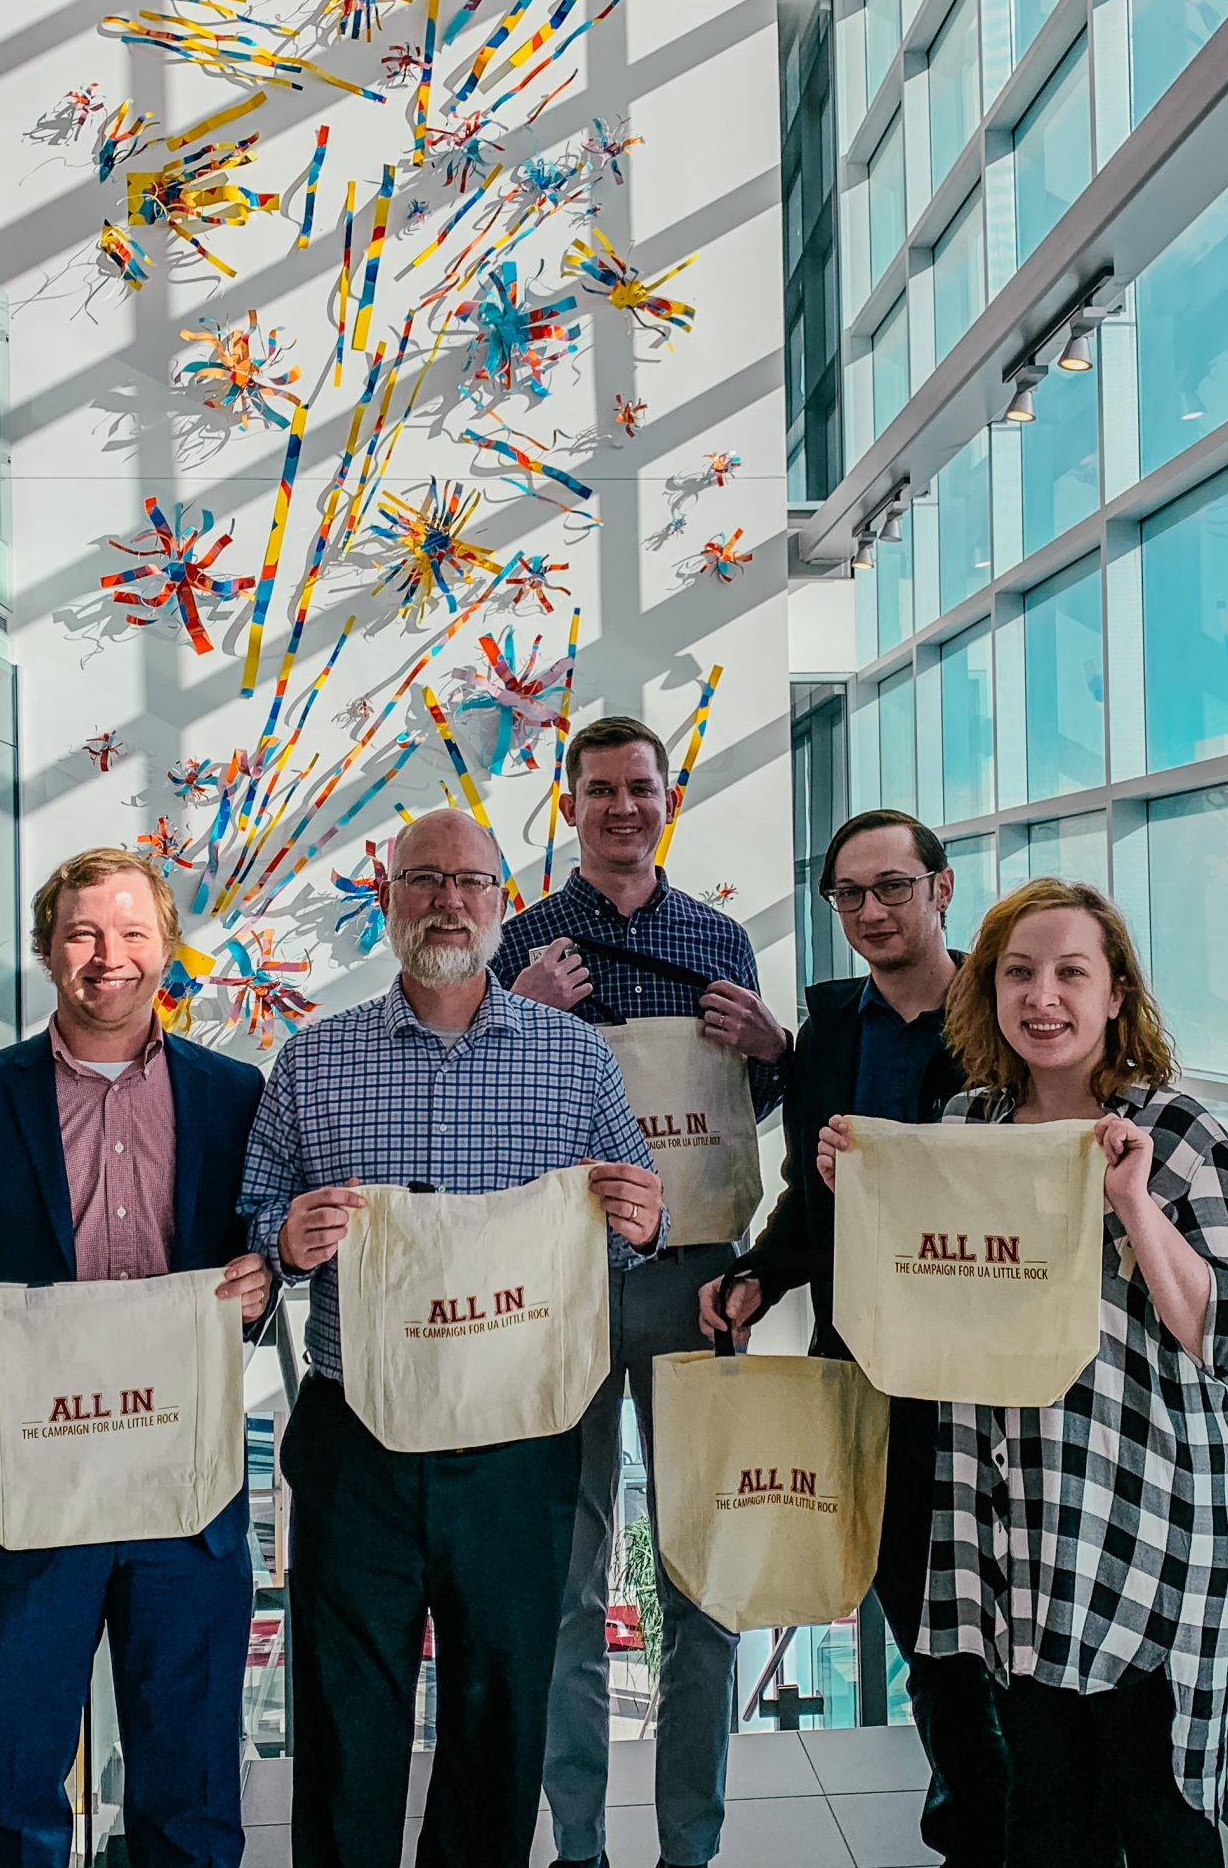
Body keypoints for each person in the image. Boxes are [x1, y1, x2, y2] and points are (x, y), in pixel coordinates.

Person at [242, 807, 668, 1868]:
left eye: (471, 882)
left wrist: (644, 1224)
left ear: (502, 902)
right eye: (422, 880)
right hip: (356, 1441)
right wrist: (285, 1239)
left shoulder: (575, 1061)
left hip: (516, 1440)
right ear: (386, 900)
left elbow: (625, 1238)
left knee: (500, 1711)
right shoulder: (311, 1060)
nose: (447, 901)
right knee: (345, 1717)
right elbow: (252, 1224)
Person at [835, 878, 1228, 1865]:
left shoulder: (1180, 1134)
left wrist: (1134, 1204)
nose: (1043, 997)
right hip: (1011, 1538)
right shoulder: (966, 1127)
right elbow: (916, 1316)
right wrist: (866, 1193)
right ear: (986, 993)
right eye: (1018, 974)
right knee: (1046, 1824)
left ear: (1115, 994)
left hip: (1143, 1536)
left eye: (1071, 972)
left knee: (1158, 1823)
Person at [0, 849, 271, 1868]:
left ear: (168, 948)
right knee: (19, 1793)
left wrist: (264, 1288)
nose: (111, 957)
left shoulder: (237, 1095)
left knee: (189, 1792)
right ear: (47, 950)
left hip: (185, 1497)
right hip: (25, 1501)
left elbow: (263, 1255)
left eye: (135, 933)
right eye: (85, 935)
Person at [488, 715, 788, 1868]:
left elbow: (736, 1128)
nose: (622, 807)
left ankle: (688, 1850)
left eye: (640, 789)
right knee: (564, 1584)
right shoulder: (526, 944)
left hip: (698, 1282)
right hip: (554, 1286)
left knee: (699, 1574)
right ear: (570, 809)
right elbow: (484, 1128)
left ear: (671, 801)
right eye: (599, 790)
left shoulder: (718, 938)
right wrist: (522, 1017)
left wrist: (770, 1047)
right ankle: (577, 1848)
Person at [700, 810, 1006, 1868]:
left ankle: (1016, 1822)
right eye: (849, 896)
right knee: (923, 1625)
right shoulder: (830, 1028)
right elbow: (807, 1202)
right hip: (870, 1370)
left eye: (892, 887)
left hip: (999, 1375)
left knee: (1013, 1630)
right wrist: (755, 1273)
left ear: (942, 888)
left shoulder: (1011, 1010)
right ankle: (974, 1824)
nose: (872, 911)